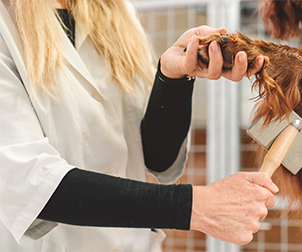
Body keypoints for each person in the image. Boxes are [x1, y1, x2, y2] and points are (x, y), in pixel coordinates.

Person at [0, 0, 278, 251]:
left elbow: (156, 159)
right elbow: (31, 182)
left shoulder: (115, 12)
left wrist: (173, 78)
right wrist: (194, 206)